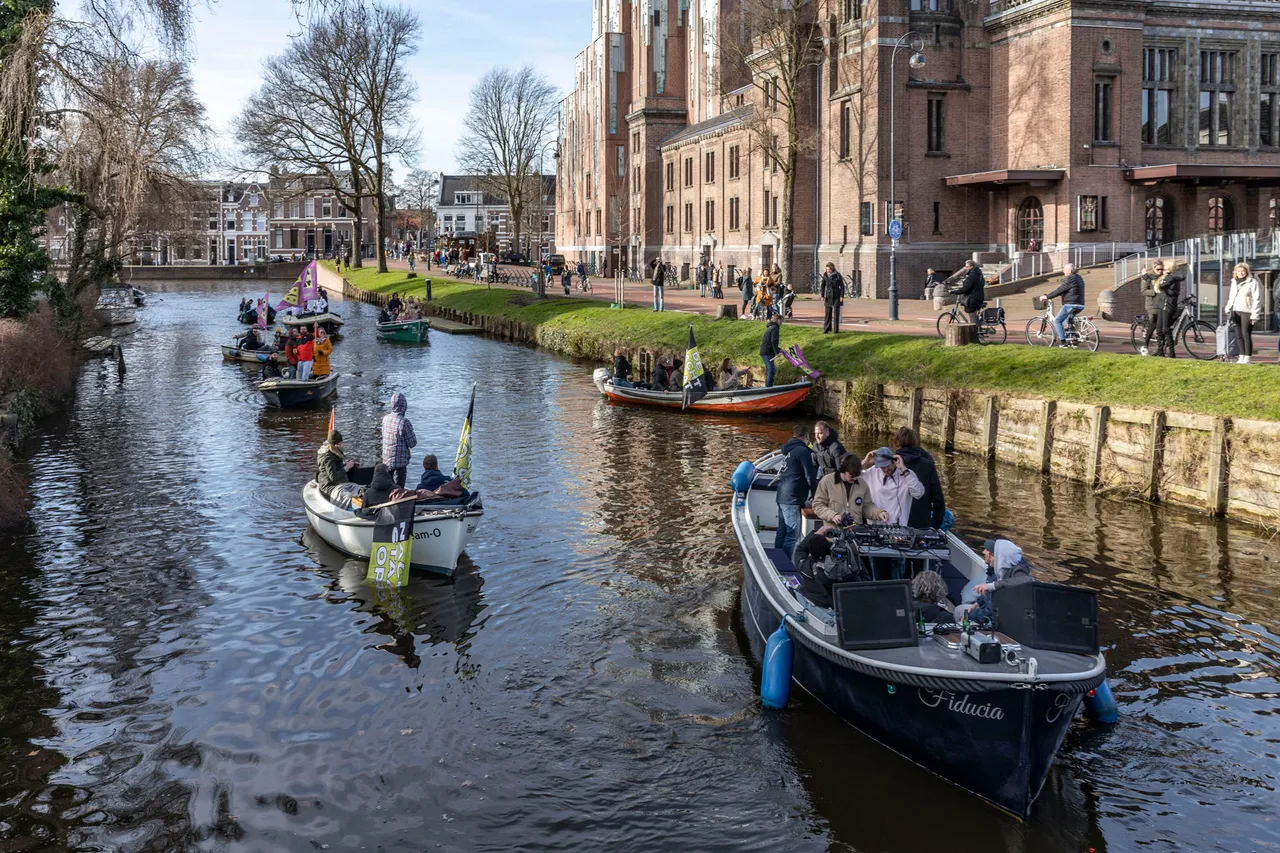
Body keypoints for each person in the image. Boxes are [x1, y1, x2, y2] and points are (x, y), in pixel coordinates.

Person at [861, 446, 925, 580]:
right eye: (882, 467)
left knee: (896, 573)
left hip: (898, 531)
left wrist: (904, 469)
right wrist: (866, 461)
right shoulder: (872, 472)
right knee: (877, 572)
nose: (885, 470)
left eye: (887, 466)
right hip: (876, 528)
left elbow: (919, 493)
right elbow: (850, 476)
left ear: (893, 461)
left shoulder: (906, 474)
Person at [965, 538, 1034, 624]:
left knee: (960, 613)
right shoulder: (997, 571)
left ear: (995, 555)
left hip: (995, 620)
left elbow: (1027, 580)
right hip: (987, 612)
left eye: (987, 550)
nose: (983, 552)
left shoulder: (1017, 571)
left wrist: (970, 617)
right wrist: (978, 603)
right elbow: (990, 595)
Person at [775, 424, 818, 559]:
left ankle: (777, 559)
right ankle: (785, 562)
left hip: (782, 496)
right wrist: (816, 495)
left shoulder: (789, 450)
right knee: (792, 534)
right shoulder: (803, 451)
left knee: (782, 531)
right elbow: (810, 476)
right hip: (792, 498)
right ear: (806, 437)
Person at [811, 454, 886, 526]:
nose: (855, 478)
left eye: (857, 475)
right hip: (833, 532)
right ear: (842, 470)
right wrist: (833, 515)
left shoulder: (863, 484)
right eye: (851, 475)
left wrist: (879, 513)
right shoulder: (827, 481)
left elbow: (867, 507)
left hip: (855, 532)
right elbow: (818, 505)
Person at [893, 427, 946, 529]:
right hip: (921, 521)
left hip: (896, 522)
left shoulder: (893, 463)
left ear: (897, 443)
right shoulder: (928, 464)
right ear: (915, 442)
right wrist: (935, 526)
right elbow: (938, 499)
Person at [316, 430, 370, 508]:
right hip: (331, 487)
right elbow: (333, 477)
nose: (341, 444)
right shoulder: (327, 458)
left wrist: (352, 465)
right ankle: (357, 509)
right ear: (335, 444)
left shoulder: (335, 451)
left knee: (363, 490)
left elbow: (337, 467)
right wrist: (347, 467)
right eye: (339, 443)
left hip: (344, 483)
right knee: (348, 497)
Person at [1224, 262, 1262, 364]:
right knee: (1238, 335)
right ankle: (1241, 355)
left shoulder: (1252, 282)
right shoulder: (1233, 282)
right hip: (1235, 311)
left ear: (1246, 272)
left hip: (1247, 311)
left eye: (1242, 271)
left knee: (1246, 334)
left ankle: (1247, 357)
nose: (1240, 273)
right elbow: (1231, 297)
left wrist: (1255, 314)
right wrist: (1228, 308)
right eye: (1238, 271)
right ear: (1235, 272)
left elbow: (1257, 299)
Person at [380, 391, 418, 488]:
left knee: (388, 487)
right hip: (400, 463)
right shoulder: (404, 422)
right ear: (404, 406)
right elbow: (412, 443)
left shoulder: (385, 419)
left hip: (386, 460)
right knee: (399, 489)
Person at [1046, 263, 1086, 345]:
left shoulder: (1069, 278)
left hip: (1071, 304)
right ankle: (1074, 337)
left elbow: (1059, 290)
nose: (1063, 271)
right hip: (1080, 304)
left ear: (1070, 271)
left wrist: (1047, 296)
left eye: (1064, 269)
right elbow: (1072, 289)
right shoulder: (1079, 278)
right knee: (1069, 320)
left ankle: (1063, 343)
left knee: (1057, 321)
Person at [950, 259, 986, 325]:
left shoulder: (971, 277)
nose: (965, 268)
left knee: (972, 317)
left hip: (973, 299)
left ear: (971, 267)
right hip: (980, 297)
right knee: (975, 316)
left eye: (967, 266)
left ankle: (974, 332)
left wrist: (954, 292)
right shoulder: (980, 275)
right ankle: (978, 328)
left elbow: (965, 289)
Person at [820, 262, 845, 334]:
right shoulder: (825, 275)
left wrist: (841, 296)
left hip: (836, 296)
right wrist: (822, 295)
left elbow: (842, 286)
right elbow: (822, 286)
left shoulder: (837, 275)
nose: (827, 270)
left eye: (829, 269)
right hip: (828, 296)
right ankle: (826, 329)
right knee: (828, 313)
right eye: (827, 269)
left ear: (832, 269)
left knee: (836, 313)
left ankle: (836, 330)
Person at [759, 315, 781, 387]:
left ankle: (768, 385)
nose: (782, 323)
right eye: (781, 321)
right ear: (778, 320)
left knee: (771, 370)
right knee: (771, 370)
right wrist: (777, 352)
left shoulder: (771, 327)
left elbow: (770, 341)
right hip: (767, 352)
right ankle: (768, 388)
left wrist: (779, 349)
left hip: (766, 351)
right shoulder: (775, 328)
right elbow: (773, 341)